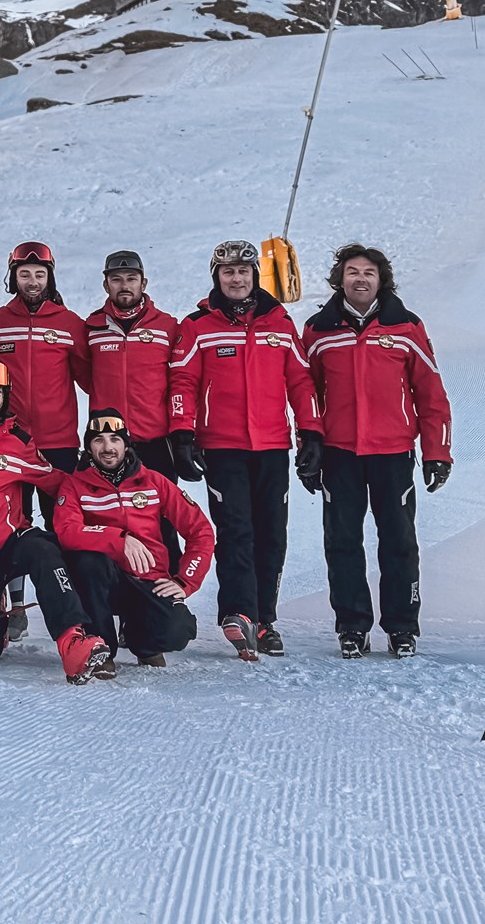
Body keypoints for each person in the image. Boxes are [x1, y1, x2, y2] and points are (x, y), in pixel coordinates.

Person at [168, 240, 323, 661]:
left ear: (255, 275)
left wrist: (311, 433)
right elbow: (183, 382)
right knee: (237, 531)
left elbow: (301, 381)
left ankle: (265, 620)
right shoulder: (198, 325)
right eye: (228, 272)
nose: (236, 279)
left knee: (272, 534)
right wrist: (183, 435)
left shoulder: (280, 322)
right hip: (222, 447)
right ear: (216, 277)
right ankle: (238, 613)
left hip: (272, 445)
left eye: (243, 271)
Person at [302, 243, 454, 659]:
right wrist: (308, 447)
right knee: (342, 543)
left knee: (399, 542)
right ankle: (352, 626)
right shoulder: (318, 329)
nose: (360, 279)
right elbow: (304, 395)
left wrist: (437, 452)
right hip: (339, 454)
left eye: (369, 272)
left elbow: (431, 393)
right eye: (352, 272)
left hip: (393, 453)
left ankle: (402, 627)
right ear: (340, 279)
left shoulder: (406, 326)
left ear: (381, 280)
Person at [0, 361, 116, 683]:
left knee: (42, 549)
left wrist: (102, 486)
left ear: (5, 398)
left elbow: (56, 482)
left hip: (5, 548)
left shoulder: (19, 442)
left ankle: (73, 641)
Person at [55, 410, 216, 669]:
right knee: (87, 562)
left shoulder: (154, 481)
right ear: (89, 447)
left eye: (115, 439)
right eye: (98, 440)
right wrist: (118, 539)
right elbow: (67, 531)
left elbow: (201, 531)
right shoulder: (74, 485)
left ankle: (142, 641)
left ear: (126, 444)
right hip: (105, 581)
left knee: (177, 631)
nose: (107, 448)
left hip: (148, 580)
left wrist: (185, 581)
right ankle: (101, 648)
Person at [85, 249, 196, 567]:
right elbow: (84, 375)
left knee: (162, 522)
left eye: (131, 279)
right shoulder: (92, 328)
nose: (124, 286)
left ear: (143, 283)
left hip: (156, 443)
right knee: (112, 523)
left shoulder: (168, 327)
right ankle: (123, 596)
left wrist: (183, 433)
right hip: (108, 444)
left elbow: (181, 382)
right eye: (116, 279)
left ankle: (171, 588)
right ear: (106, 284)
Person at [0, 241, 89, 481]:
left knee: (61, 505)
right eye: (25, 275)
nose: (33, 282)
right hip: (10, 437)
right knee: (13, 506)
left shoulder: (70, 323)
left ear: (50, 278)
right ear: (14, 278)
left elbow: (92, 380)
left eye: (40, 275)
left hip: (60, 442)